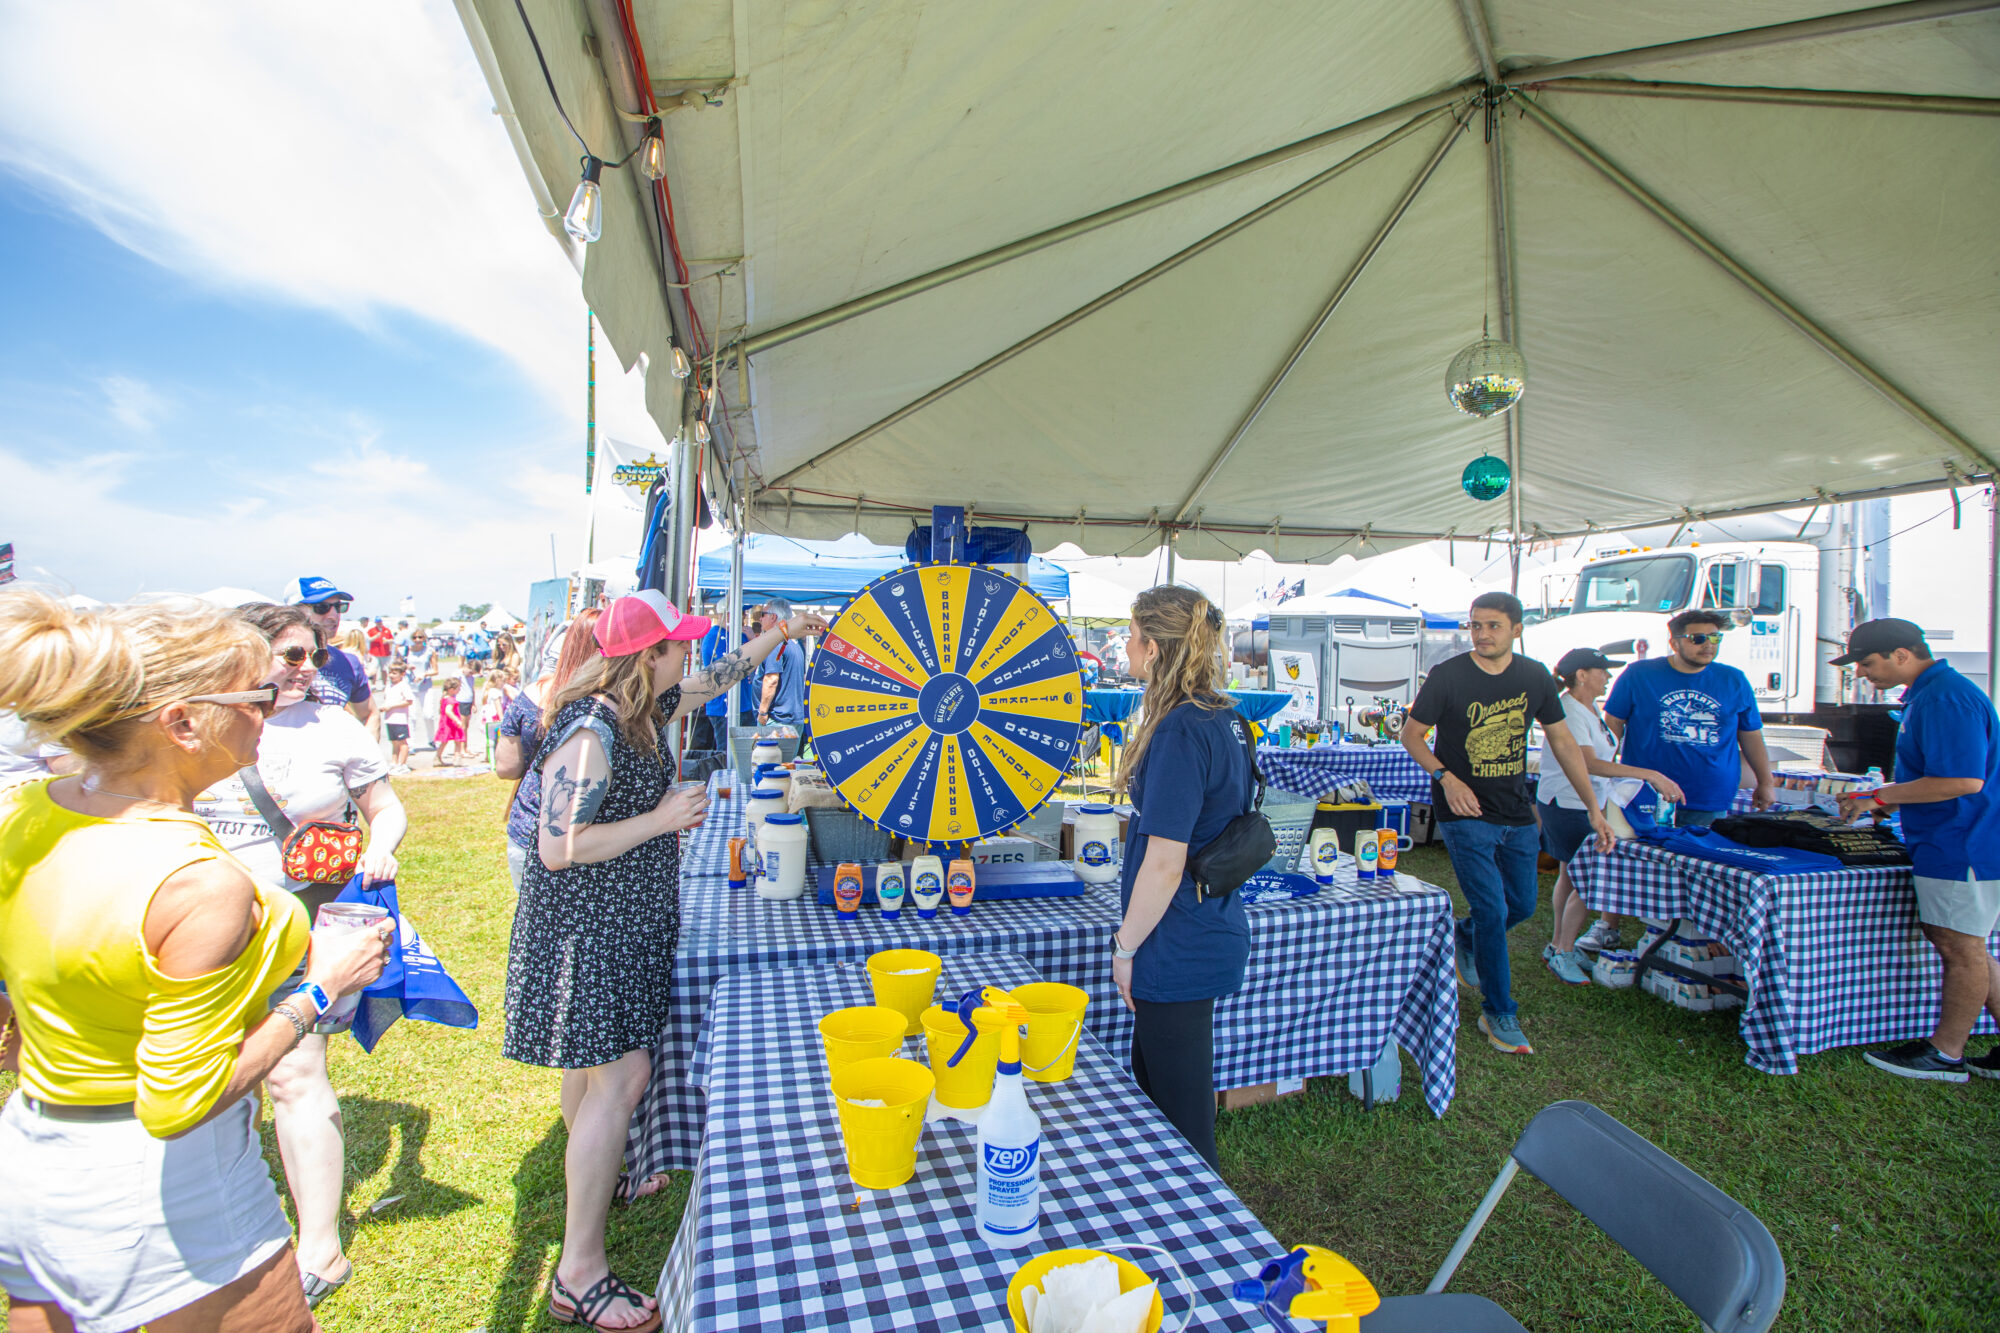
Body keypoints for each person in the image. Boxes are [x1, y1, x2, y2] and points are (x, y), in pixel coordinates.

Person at [0, 591, 391, 1333]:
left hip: (33, 1156)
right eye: (254, 695)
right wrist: (321, 987)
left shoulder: (29, 811)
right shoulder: (195, 880)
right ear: (181, 722)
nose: (270, 708)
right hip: (162, 1193)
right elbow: (183, 1099)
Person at [507, 591, 828, 1330]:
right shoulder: (593, 728)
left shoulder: (639, 709)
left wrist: (781, 633)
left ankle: (605, 1178)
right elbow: (558, 847)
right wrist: (663, 817)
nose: (687, 654)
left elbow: (719, 677)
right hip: (589, 929)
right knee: (622, 1075)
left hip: (614, 920)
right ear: (647, 655)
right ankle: (579, 1270)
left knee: (593, 1072)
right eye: (676, 645)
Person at [191, 603, 408, 1308]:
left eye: (311, 652)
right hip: (195, 928)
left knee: (294, 1072)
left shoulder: (332, 724)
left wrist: (381, 842)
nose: (305, 666)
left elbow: (385, 803)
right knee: (207, 1074)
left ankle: (320, 1246)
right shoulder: (196, 719)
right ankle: (226, 1218)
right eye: (289, 654)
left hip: (294, 922)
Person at [1400, 592, 1611, 1055]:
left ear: (1516, 629)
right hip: (1463, 811)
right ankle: (1498, 1012)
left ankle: (1464, 935)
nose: (1482, 635)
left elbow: (1562, 742)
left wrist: (1594, 807)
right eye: (1475, 626)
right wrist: (1445, 777)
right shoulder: (1448, 675)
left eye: (1492, 626)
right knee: (1494, 910)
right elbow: (1411, 734)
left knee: (1522, 905)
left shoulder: (1533, 675)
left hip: (1516, 810)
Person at [1107, 587, 1249, 1173]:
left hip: (1178, 942)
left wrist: (1124, 947)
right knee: (1157, 1095)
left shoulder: (1180, 730)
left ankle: (1209, 1243)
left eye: (1135, 637)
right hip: (1207, 927)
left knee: (1182, 1121)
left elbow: (1166, 863)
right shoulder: (1224, 716)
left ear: (1158, 648)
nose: (1127, 648)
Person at [1829, 619, 2000, 1082]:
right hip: (1950, 839)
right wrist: (1888, 805)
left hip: (1963, 841)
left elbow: (1963, 780)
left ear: (1902, 654)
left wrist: (1880, 797)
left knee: (1959, 947)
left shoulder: (1945, 697)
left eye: (1867, 663)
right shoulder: (1930, 694)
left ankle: (1945, 1054)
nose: (1863, 673)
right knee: (1967, 946)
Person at [1536, 648, 1685, 985]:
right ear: (1581, 675)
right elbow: (1588, 763)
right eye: (1602, 670)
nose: (1608, 676)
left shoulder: (1589, 708)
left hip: (1580, 800)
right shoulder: (1570, 711)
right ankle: (1562, 950)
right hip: (1570, 802)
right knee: (1589, 876)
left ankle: (1560, 944)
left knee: (1571, 874)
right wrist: (1649, 773)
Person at [1604, 608, 1775, 828]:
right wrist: (1605, 772)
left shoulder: (1734, 679)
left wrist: (1766, 782)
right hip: (1643, 794)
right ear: (1675, 644)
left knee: (1699, 860)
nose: (1708, 645)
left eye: (1715, 638)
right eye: (1698, 639)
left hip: (1708, 797)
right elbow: (1612, 726)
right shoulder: (1638, 675)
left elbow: (1751, 735)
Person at [496, 609, 602, 892]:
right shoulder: (599, 702)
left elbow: (506, 768)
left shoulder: (532, 693)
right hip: (573, 834)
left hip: (528, 828)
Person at [284, 576, 379, 741]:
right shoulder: (274, 660)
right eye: (322, 607)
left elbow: (371, 714)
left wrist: (365, 760)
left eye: (338, 607)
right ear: (294, 612)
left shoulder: (348, 662)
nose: (334, 615)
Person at [755, 597, 808, 728]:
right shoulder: (794, 642)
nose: (760, 619)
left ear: (773, 617)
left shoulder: (776, 642)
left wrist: (762, 712)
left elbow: (771, 679)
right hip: (792, 717)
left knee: (769, 749)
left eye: (763, 615)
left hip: (778, 718)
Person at [380, 659, 416, 772]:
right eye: (390, 673)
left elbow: (409, 701)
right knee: (394, 742)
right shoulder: (389, 686)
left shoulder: (403, 686)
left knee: (402, 742)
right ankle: (394, 762)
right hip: (390, 718)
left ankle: (403, 764)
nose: (391, 675)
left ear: (402, 674)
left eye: (395, 673)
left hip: (400, 719)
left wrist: (392, 706)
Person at [406, 627, 439, 751]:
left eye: (420, 637)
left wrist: (424, 674)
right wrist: (407, 666)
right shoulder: (406, 650)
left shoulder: (430, 651)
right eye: (415, 637)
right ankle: (410, 744)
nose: (417, 640)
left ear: (424, 638)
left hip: (425, 685)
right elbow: (397, 666)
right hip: (410, 686)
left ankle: (431, 739)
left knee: (428, 715)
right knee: (412, 716)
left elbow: (435, 670)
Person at [366, 616, 394, 683]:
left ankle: (385, 684)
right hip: (374, 653)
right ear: (375, 623)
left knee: (384, 670)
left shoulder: (387, 630)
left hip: (385, 653)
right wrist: (376, 636)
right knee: (374, 669)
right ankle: (373, 684)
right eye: (377, 622)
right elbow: (368, 640)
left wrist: (388, 641)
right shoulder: (371, 630)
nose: (379, 623)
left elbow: (392, 639)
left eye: (380, 622)